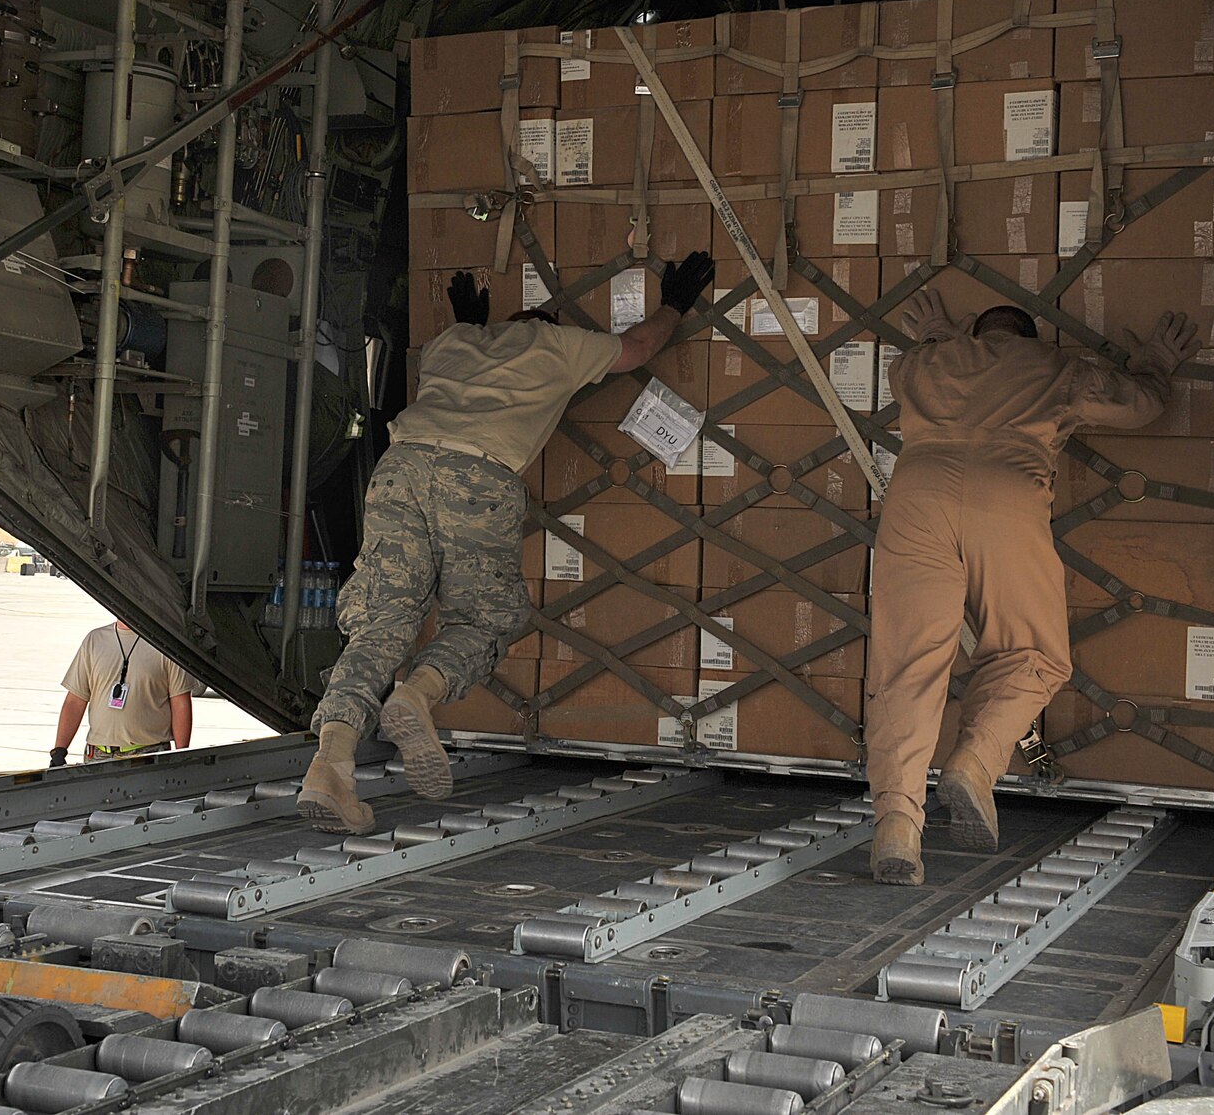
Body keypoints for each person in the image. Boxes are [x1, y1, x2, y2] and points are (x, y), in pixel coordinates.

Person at [297, 252, 717, 833]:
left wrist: (472, 321)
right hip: (477, 476)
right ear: (544, 324)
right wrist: (675, 303)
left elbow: (472, 344)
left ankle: (329, 764)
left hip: (401, 467)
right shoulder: (560, 346)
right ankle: (418, 693)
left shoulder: (452, 345)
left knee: (382, 622)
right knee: (486, 618)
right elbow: (639, 347)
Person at [866, 296, 1202, 885]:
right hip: (1007, 495)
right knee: (1033, 653)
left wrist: (942, 338)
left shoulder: (920, 366)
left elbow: (928, 362)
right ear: (1029, 335)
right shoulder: (1054, 367)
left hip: (916, 497)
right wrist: (1154, 362)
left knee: (907, 663)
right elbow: (1141, 405)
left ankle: (897, 823)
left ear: (976, 332)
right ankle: (974, 761)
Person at [50, 619, 197, 765]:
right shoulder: (94, 640)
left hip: (148, 753)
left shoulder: (165, 644)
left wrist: (181, 755)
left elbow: (180, 703)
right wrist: (59, 750)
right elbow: (75, 701)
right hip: (98, 754)